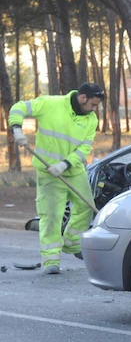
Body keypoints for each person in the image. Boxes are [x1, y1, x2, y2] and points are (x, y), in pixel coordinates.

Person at [8, 83, 105, 274]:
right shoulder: (50, 104)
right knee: (51, 216)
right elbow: (18, 107)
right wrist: (17, 129)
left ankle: (71, 242)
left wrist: (65, 164)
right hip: (48, 173)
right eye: (93, 105)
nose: (94, 110)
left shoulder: (91, 119)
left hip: (74, 170)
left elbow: (85, 148)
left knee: (85, 206)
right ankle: (50, 260)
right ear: (82, 97)